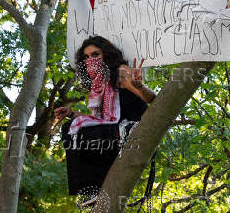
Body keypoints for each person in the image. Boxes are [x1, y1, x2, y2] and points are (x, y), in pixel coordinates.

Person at [54, 36, 156, 202]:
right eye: (86, 57)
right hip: (113, 134)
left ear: (107, 54)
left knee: (77, 132)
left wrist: (139, 87)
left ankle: (125, 134)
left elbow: (152, 99)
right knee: (70, 129)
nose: (91, 60)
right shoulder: (99, 85)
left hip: (135, 130)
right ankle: (95, 189)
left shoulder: (120, 72)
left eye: (95, 55)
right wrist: (72, 114)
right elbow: (100, 120)